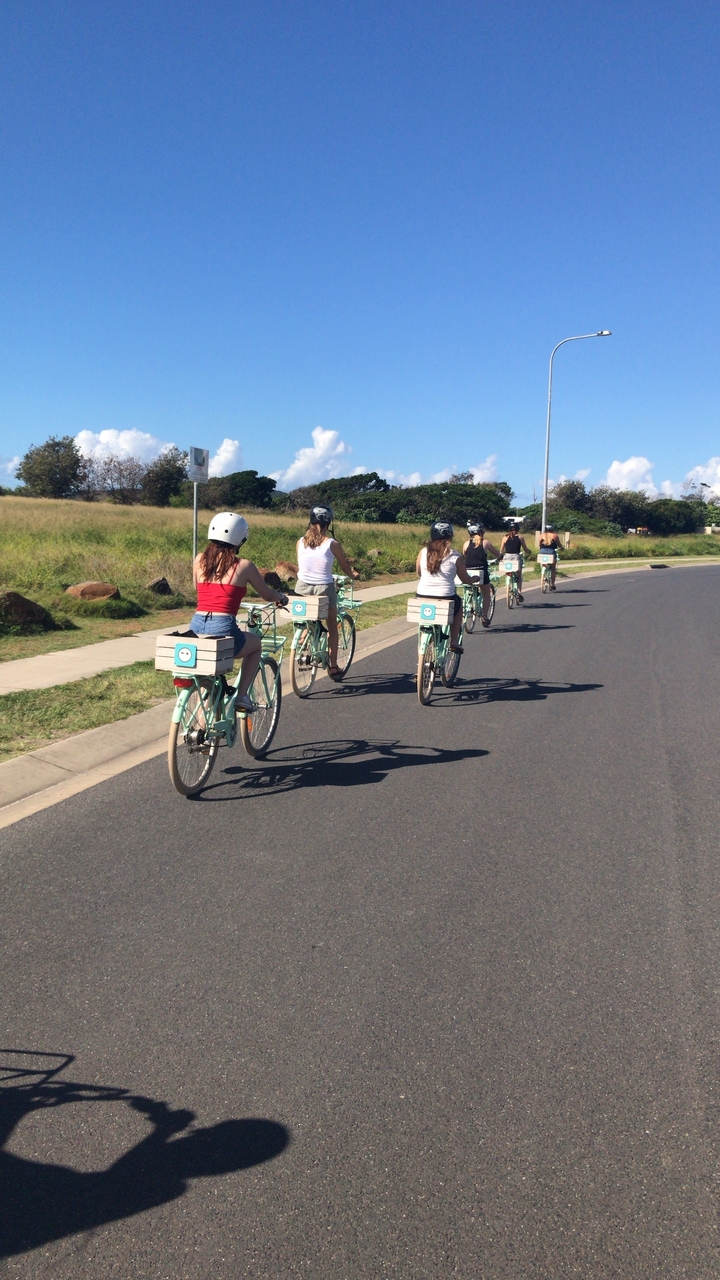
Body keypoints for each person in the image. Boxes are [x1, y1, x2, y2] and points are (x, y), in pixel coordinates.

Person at [190, 512, 288, 711]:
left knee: (211, 667)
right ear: (240, 540)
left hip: (197, 624)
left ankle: (203, 719)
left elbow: (197, 588)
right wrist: (281, 597)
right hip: (222, 625)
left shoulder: (199, 560)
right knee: (256, 645)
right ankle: (242, 696)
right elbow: (267, 594)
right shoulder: (243, 566)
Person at [295, 506, 360, 681]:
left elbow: (303, 567)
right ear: (328, 523)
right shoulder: (332, 544)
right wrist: (353, 574)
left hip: (301, 587)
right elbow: (345, 567)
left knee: (309, 614)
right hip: (323, 587)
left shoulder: (300, 541)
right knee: (332, 625)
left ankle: (304, 635)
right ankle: (332, 666)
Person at [415, 520, 478, 654]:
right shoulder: (455, 556)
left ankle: (423, 648)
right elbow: (464, 579)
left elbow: (419, 572)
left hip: (422, 596)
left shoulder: (423, 552)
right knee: (459, 605)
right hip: (445, 597)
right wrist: (472, 580)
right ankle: (454, 641)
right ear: (450, 537)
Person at [462, 521, 502, 627]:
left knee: (468, 588)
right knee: (486, 594)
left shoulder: (466, 543)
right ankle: (484, 616)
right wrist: (500, 557)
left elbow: (465, 555)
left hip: (468, 572)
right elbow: (497, 554)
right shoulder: (485, 543)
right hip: (481, 572)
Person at [499, 521, 532, 601]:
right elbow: (525, 549)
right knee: (519, 576)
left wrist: (501, 555)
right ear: (518, 529)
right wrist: (529, 551)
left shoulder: (505, 538)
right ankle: (519, 592)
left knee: (508, 572)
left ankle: (508, 584)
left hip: (506, 557)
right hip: (516, 557)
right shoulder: (520, 537)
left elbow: (501, 550)